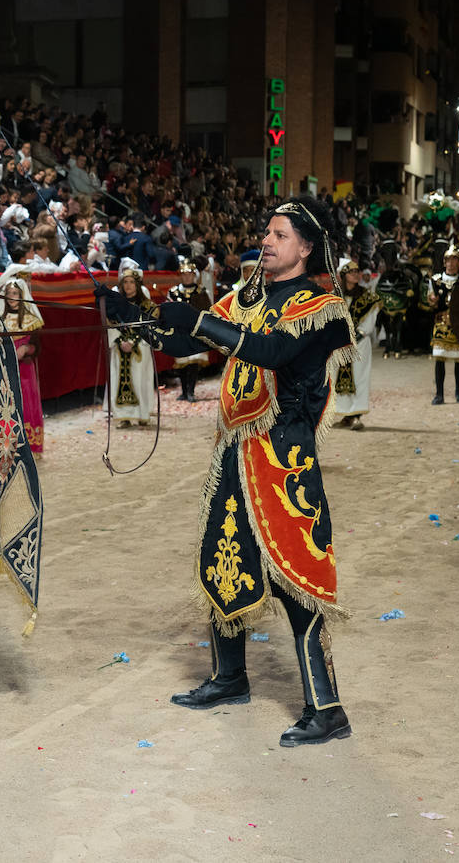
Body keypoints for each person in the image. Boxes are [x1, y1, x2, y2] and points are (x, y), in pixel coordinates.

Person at [142, 195, 356, 747]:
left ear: (306, 247)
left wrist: (203, 321)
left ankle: (327, 709)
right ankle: (229, 677)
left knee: (295, 579)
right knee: (223, 557)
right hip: (235, 452)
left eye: (280, 234)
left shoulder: (321, 305)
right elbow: (201, 341)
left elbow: (269, 352)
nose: (267, 240)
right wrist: (154, 328)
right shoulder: (249, 295)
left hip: (284, 456)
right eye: (267, 231)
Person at [0, 266, 45, 452]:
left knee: (27, 402)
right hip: (6, 369)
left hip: (25, 369)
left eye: (16, 293)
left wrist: (27, 349)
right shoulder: (0, 320)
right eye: (9, 294)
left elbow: (37, 346)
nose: (12, 298)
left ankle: (31, 444)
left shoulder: (31, 320)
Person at [423, 246, 459, 404]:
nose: (451, 263)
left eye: (455, 259)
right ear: (444, 262)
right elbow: (429, 301)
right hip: (441, 324)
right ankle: (439, 394)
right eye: (448, 260)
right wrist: (432, 302)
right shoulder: (435, 280)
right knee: (439, 359)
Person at [333, 260, 382, 429]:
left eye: (357, 271)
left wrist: (356, 336)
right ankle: (346, 415)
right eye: (351, 271)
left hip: (359, 344)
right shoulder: (336, 296)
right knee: (338, 378)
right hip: (339, 345)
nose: (355, 274)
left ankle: (357, 416)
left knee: (359, 377)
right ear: (344, 275)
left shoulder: (367, 296)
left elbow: (370, 321)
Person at [106, 268, 156, 427]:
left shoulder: (147, 306)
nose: (128, 286)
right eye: (125, 282)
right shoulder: (115, 305)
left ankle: (142, 414)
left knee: (140, 379)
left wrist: (133, 341)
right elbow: (111, 326)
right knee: (118, 380)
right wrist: (121, 341)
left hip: (140, 347)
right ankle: (124, 416)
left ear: (138, 284)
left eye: (131, 282)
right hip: (120, 348)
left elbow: (149, 326)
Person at [164, 259, 213, 401]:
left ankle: (191, 391)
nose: (187, 277)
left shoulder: (201, 291)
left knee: (193, 362)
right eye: (184, 274)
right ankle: (184, 391)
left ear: (194, 275)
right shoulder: (173, 292)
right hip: (179, 332)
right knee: (181, 363)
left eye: (189, 274)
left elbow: (206, 311)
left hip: (195, 332)